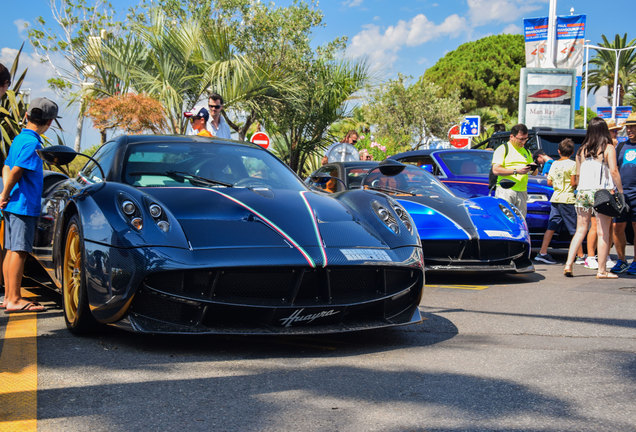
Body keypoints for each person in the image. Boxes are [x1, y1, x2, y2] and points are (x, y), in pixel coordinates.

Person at [1, 97, 60, 312]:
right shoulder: (33, 143)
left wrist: (4, 194)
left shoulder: (19, 139)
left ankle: (9, 297)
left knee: (11, 250)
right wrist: (5, 192)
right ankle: (15, 299)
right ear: (50, 122)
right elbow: (17, 170)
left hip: (12, 203)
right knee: (20, 251)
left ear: (26, 116)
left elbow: (7, 166)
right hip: (23, 205)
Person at [563, 117, 623, 278]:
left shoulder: (581, 149)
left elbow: (578, 174)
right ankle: (602, 270)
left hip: (583, 192)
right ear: (604, 130)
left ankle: (569, 264)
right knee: (603, 232)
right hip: (601, 193)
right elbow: (614, 171)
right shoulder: (608, 147)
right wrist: (620, 191)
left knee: (580, 230)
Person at [534, 139, 584, 264]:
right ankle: (580, 255)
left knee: (551, 226)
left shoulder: (554, 164)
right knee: (575, 229)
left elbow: (549, 181)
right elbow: (573, 182)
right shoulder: (573, 164)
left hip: (556, 197)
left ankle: (543, 252)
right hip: (568, 198)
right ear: (572, 152)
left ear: (558, 151)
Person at [611, 112, 636, 274]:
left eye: (633, 127)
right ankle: (621, 260)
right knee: (617, 227)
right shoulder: (620, 146)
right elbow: (615, 169)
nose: (629, 130)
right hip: (622, 195)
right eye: (628, 127)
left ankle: (635, 262)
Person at [491, 123, 533, 217]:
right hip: (506, 190)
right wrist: (516, 171)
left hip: (522, 190)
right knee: (506, 219)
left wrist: (532, 168)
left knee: (520, 220)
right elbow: (496, 170)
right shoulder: (503, 149)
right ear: (512, 137)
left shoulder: (526, 151)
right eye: (521, 139)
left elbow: (534, 173)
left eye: (526, 139)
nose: (523, 142)